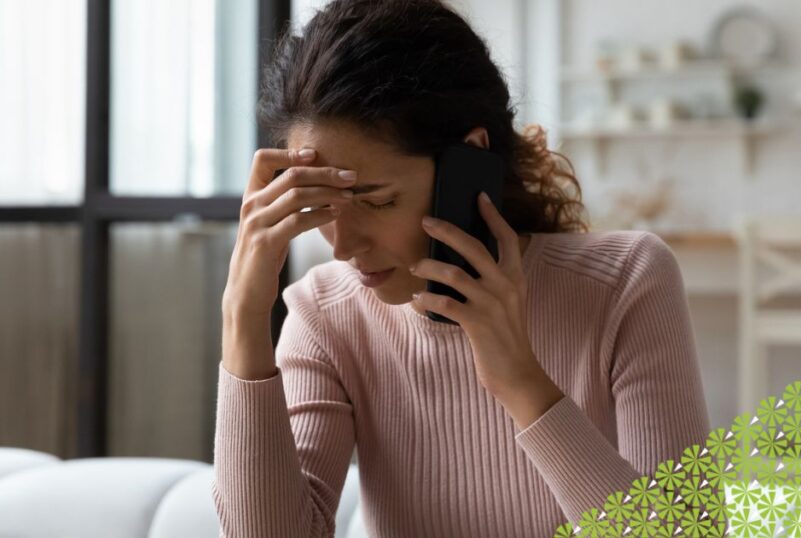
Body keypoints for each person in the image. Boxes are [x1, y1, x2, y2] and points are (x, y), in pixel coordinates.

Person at [212, 0, 710, 536]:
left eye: (376, 201)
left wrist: (521, 382)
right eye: (323, 206)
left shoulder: (625, 281)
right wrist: (243, 323)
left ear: (468, 162)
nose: (343, 246)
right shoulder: (324, 314)